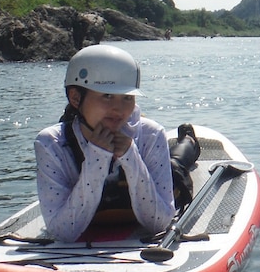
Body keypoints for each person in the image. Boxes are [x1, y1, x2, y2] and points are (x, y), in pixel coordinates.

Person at [34, 44, 199, 242]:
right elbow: (63, 232)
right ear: (76, 98)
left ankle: (189, 140)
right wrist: (98, 158)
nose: (119, 110)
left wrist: (131, 157)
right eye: (107, 96)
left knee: (177, 167)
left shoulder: (151, 134)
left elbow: (159, 223)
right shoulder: (51, 143)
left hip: (163, 163)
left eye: (127, 98)